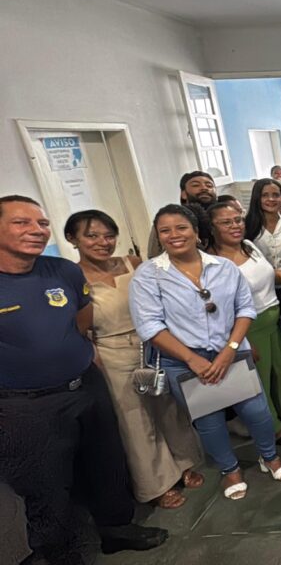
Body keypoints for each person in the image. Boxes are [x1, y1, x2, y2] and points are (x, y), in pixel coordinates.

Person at [0, 196, 168, 563]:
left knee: (107, 461)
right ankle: (58, 555)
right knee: (46, 486)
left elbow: (81, 320)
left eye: (42, 223)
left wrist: (80, 358)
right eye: (22, 222)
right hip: (24, 405)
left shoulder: (63, 271)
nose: (36, 230)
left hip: (84, 384)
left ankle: (116, 528)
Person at [130, 204, 281, 501]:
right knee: (209, 421)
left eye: (181, 228)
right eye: (165, 230)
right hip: (185, 362)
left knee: (257, 412)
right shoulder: (149, 275)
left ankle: (269, 456)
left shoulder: (224, 267)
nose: (174, 235)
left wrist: (229, 350)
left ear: (196, 231)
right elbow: (150, 326)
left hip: (231, 352)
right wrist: (192, 359)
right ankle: (230, 469)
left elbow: (245, 309)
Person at [66, 210, 203, 509]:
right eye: (92, 236)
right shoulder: (71, 276)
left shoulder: (134, 263)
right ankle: (156, 484)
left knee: (170, 408)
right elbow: (79, 328)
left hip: (154, 344)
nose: (102, 242)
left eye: (109, 236)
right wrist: (95, 361)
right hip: (111, 352)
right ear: (72, 239)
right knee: (135, 421)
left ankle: (185, 462)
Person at [207, 202, 281, 445]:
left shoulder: (249, 246)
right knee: (260, 380)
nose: (235, 226)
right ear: (212, 227)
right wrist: (241, 341)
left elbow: (271, 275)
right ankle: (273, 427)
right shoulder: (212, 262)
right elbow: (219, 307)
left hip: (274, 318)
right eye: (226, 222)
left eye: (238, 220)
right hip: (249, 327)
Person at [148, 171, 218, 258]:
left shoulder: (225, 217)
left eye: (209, 186)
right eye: (196, 185)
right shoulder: (166, 220)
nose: (204, 188)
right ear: (183, 194)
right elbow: (154, 256)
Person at [244, 178, 281, 306]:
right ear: (257, 198)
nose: (271, 199)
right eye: (265, 195)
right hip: (258, 290)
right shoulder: (246, 227)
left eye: (276, 195)